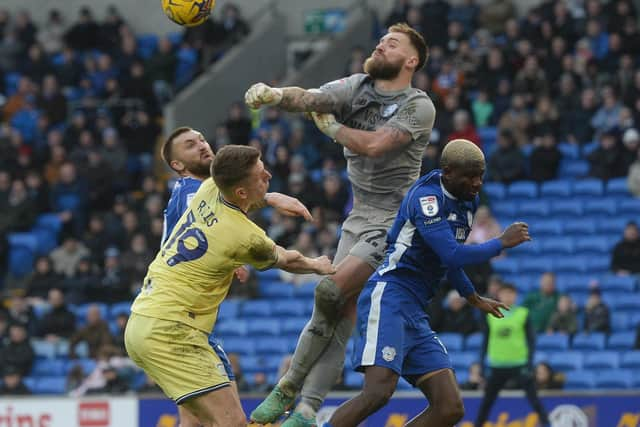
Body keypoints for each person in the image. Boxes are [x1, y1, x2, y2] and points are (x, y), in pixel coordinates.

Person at [245, 22, 436, 426]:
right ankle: (308, 409)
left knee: (329, 291)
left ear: (411, 60)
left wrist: (331, 127)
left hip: (394, 219)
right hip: (359, 214)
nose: (382, 44)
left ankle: (289, 385)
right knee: (338, 309)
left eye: (393, 43)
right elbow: (311, 97)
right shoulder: (358, 84)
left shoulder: (418, 105)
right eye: (382, 39)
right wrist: (276, 94)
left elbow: (377, 144)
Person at [322, 139, 531, 427]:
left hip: (415, 310)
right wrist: (500, 243)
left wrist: (473, 297)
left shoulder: (468, 201)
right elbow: (451, 252)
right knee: (378, 392)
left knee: (449, 407)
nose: (477, 183)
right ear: (447, 172)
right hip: (390, 297)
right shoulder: (426, 198)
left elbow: (448, 260)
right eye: (470, 176)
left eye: (481, 175)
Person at [124, 145, 335, 427]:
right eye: (262, 175)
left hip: (143, 321)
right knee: (232, 423)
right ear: (242, 192)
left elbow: (238, 199)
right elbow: (287, 259)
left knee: (196, 423)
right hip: (172, 330)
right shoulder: (246, 236)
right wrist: (317, 264)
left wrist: (270, 197)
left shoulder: (208, 188)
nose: (269, 175)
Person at [160, 126, 313, 427]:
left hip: (179, 319)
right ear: (177, 165)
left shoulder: (202, 193)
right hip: (181, 321)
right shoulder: (193, 189)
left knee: (193, 421)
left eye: (202, 139)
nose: (202, 146)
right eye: (190, 146)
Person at [475, 283, 550, 427]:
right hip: (497, 365)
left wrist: (529, 363)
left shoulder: (523, 313)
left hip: (519, 365)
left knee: (534, 399)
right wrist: (482, 363)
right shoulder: (490, 314)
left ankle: (547, 424)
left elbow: (531, 340)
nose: (508, 297)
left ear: (516, 296)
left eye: (511, 294)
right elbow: (485, 340)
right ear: (499, 296)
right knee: (487, 402)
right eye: (505, 293)